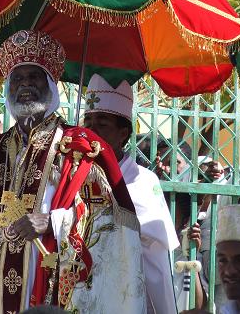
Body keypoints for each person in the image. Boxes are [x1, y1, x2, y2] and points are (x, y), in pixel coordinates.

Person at [0, 30, 147, 314]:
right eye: (18, 78)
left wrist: (55, 222)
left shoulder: (82, 148)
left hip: (54, 292)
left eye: (34, 77)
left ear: (50, 85)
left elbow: (112, 225)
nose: (25, 84)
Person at [83, 73, 180, 314]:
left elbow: (155, 257)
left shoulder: (145, 182)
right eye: (88, 123)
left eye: (102, 124)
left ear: (123, 133)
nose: (91, 131)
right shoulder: (75, 174)